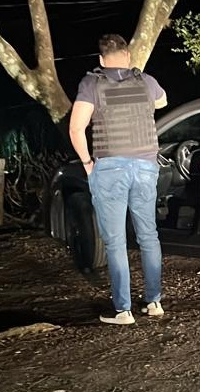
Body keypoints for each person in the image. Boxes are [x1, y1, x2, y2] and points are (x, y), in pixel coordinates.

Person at [69, 33, 168, 325]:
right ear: (127, 55)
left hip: (110, 167)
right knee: (148, 235)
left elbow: (77, 129)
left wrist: (87, 164)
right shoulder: (145, 80)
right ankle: (154, 302)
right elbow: (162, 102)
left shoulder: (92, 83)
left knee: (115, 241)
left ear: (101, 59)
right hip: (146, 166)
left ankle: (123, 310)